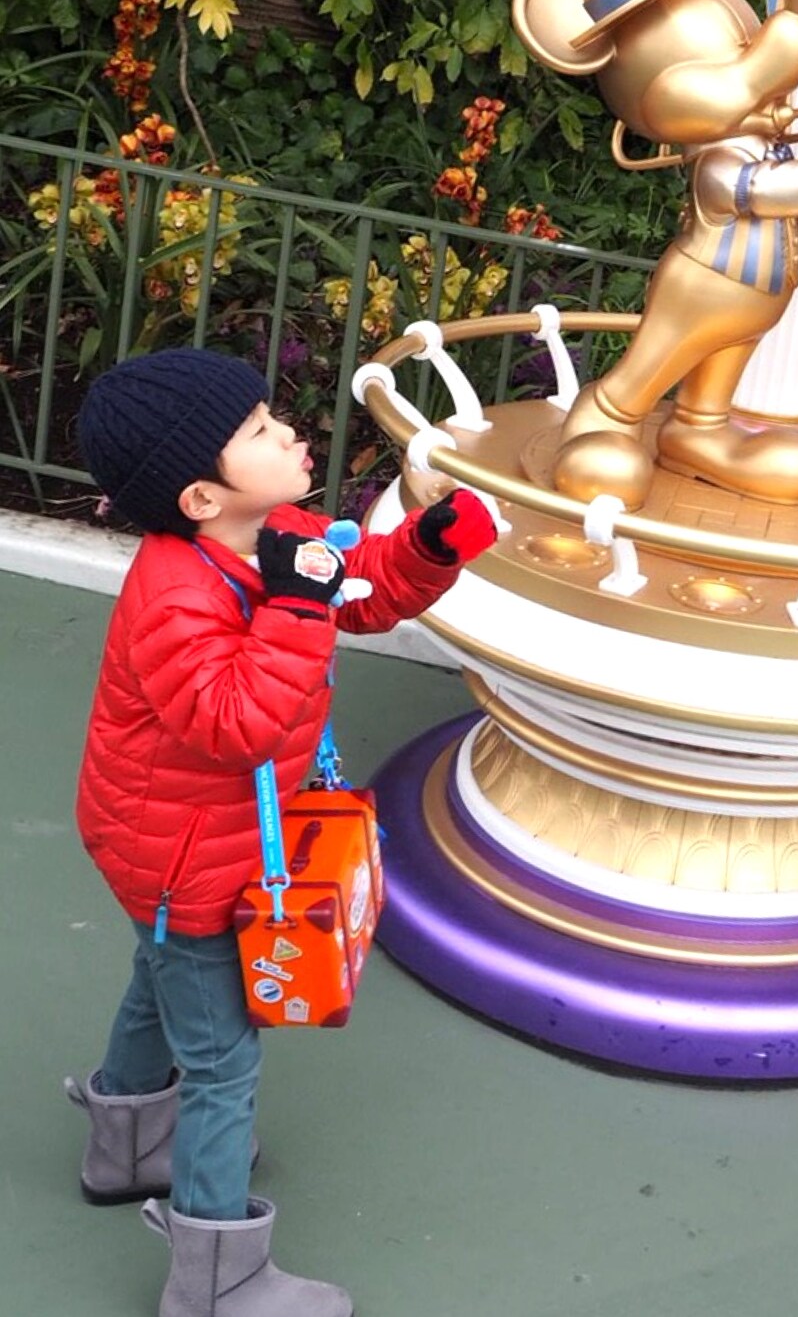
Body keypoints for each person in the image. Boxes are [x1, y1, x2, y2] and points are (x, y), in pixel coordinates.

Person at [64, 347, 496, 1316]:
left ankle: (125, 1145)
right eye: (259, 430)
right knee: (223, 1062)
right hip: (180, 853)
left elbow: (356, 587)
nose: (290, 431)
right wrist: (298, 605)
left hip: (187, 840)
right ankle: (216, 1276)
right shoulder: (173, 597)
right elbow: (237, 722)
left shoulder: (278, 531)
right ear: (201, 498)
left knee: (162, 975)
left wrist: (427, 548)